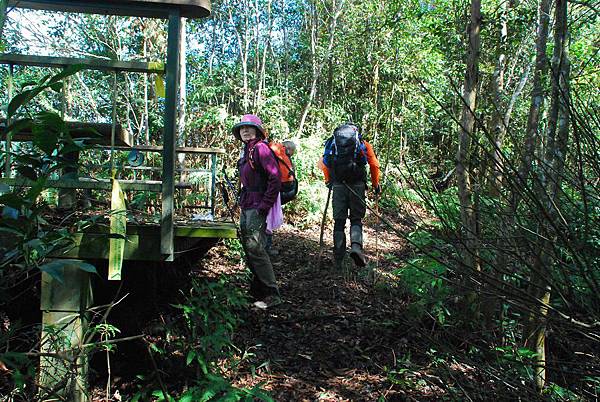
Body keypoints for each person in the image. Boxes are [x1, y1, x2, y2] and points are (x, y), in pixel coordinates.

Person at [233, 114, 282, 308]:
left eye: (249, 128)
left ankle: (272, 293)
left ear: (257, 131)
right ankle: (257, 290)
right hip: (248, 205)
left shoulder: (260, 149)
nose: (245, 130)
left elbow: (275, 178)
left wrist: (264, 205)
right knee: (249, 248)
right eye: (242, 128)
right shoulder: (248, 151)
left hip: (257, 206)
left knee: (256, 249)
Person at [318, 123, 380, 269]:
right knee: (356, 219)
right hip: (357, 185)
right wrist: (376, 184)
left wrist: (328, 180)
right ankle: (356, 248)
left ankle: (338, 259)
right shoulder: (363, 143)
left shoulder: (332, 142)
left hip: (339, 185)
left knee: (339, 221)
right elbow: (374, 165)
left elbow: (323, 163)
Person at [265, 140, 297, 256]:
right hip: (276, 190)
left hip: (269, 188)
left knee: (267, 218)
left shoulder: (271, 150)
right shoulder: (281, 155)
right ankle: (266, 248)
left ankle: (265, 247)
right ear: (288, 149)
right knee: (269, 219)